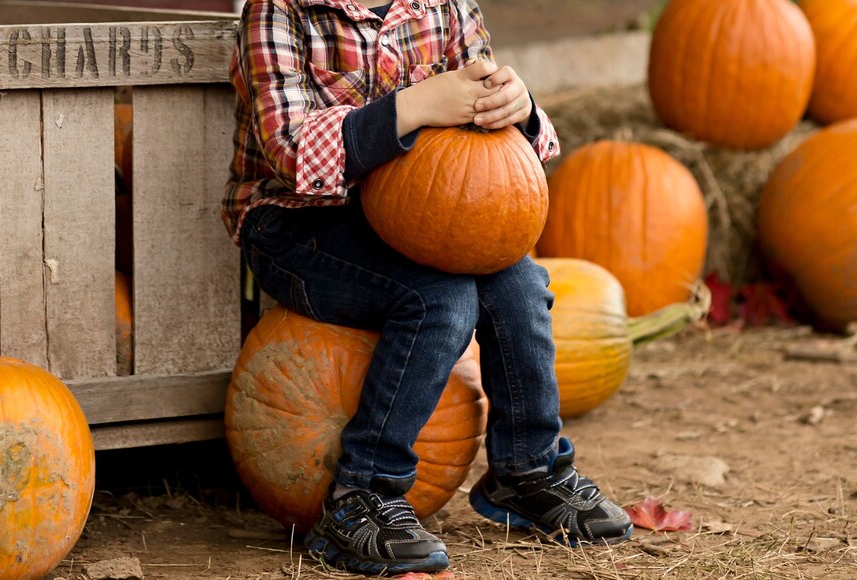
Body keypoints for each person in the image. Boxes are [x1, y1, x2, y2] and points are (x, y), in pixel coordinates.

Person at [223, 0, 633, 574]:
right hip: (296, 225)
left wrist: (520, 109)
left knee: (518, 283)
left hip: (415, 216)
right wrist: (412, 107)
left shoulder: (445, 7)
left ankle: (527, 469)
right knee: (437, 299)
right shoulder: (282, 11)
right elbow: (290, 153)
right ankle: (362, 496)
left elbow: (507, 150)